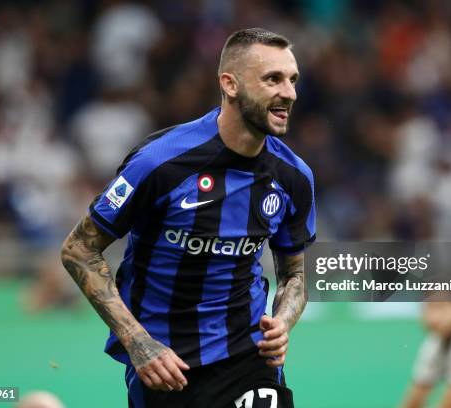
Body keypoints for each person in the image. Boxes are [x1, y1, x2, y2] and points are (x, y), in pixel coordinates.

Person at [60, 27, 315, 408]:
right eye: (272, 79)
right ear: (230, 84)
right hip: (166, 368)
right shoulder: (160, 162)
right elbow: (79, 249)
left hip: (249, 358)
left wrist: (283, 321)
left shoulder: (293, 176)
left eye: (292, 80)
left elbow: (294, 273)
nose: (289, 93)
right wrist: (139, 343)